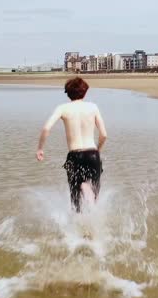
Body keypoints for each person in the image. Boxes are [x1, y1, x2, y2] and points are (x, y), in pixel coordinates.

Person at [36, 76, 108, 212]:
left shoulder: (63, 108)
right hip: (93, 155)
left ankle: (77, 228)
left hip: (75, 156)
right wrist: (97, 150)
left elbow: (46, 128)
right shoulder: (93, 107)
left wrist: (40, 148)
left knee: (75, 201)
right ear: (85, 91)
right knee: (94, 198)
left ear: (68, 93)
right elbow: (104, 135)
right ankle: (93, 228)